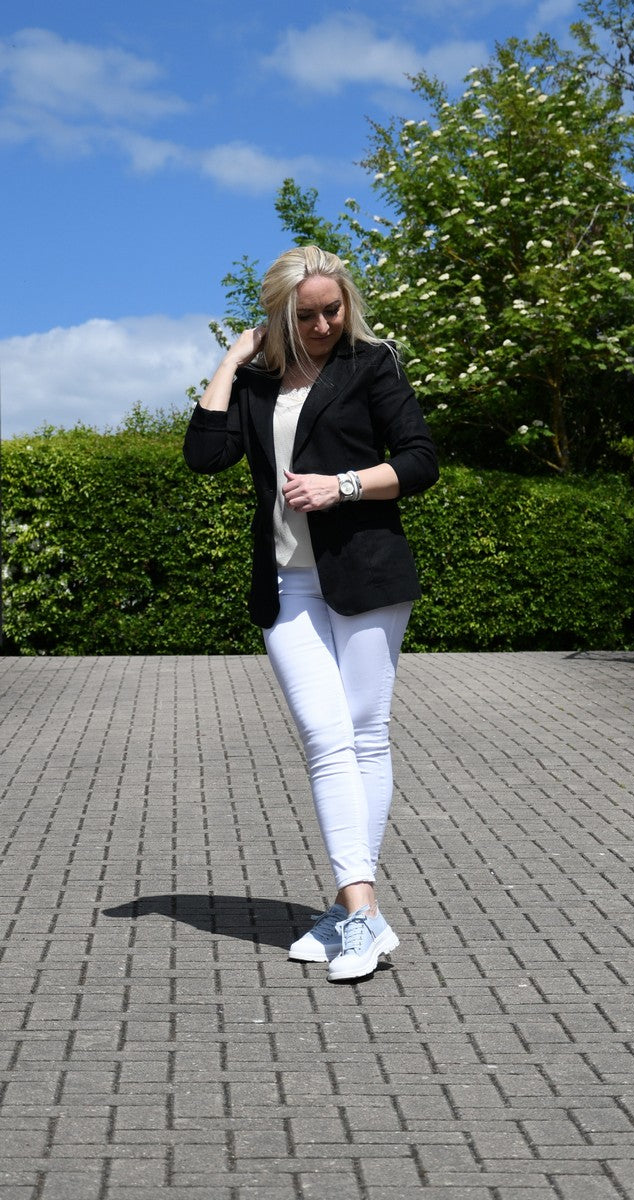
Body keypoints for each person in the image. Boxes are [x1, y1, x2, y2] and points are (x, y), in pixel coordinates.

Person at [183, 245, 438, 982]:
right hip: (286, 587)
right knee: (326, 739)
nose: (324, 324)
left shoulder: (372, 364)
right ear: (278, 316)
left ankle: (352, 910)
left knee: (363, 735)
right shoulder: (258, 382)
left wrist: (342, 485)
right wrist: (232, 360)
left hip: (366, 573)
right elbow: (204, 456)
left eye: (333, 309)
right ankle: (362, 912)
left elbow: (420, 460)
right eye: (306, 316)